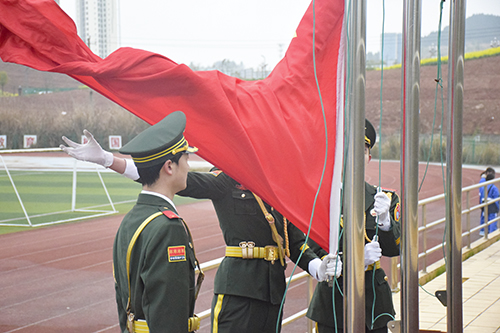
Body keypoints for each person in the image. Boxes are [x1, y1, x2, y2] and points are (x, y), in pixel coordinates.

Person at [60, 128, 342, 333]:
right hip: (240, 291)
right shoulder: (228, 178)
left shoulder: (276, 185)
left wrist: (315, 264)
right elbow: (166, 175)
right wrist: (110, 160)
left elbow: (287, 233)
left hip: (272, 292)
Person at [91, 111, 203, 332]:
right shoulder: (168, 228)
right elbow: (168, 313)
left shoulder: (133, 218)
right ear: (169, 167)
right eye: (186, 159)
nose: (189, 166)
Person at [306, 119, 401, 333]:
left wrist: (385, 221)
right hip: (334, 298)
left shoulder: (384, 198)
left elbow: (396, 249)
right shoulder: (322, 198)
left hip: (373, 300)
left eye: (363, 149)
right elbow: (312, 248)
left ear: (368, 157)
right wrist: (354, 260)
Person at [479, 167, 499, 235]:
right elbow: (497, 198)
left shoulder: (483, 185)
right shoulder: (493, 188)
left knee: (484, 217)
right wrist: (498, 208)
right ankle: (492, 232)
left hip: (484, 203)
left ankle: (482, 231)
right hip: (492, 205)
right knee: (492, 219)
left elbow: (481, 182)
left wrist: (483, 177)